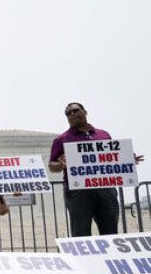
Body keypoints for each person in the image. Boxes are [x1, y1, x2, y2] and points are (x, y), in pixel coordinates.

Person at [48, 102, 144, 237]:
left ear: (85, 112)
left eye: (75, 110)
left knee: (110, 233)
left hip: (106, 189)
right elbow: (52, 166)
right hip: (78, 192)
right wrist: (61, 165)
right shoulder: (61, 139)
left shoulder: (103, 134)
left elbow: (111, 157)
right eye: (68, 113)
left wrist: (126, 159)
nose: (72, 114)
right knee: (80, 234)